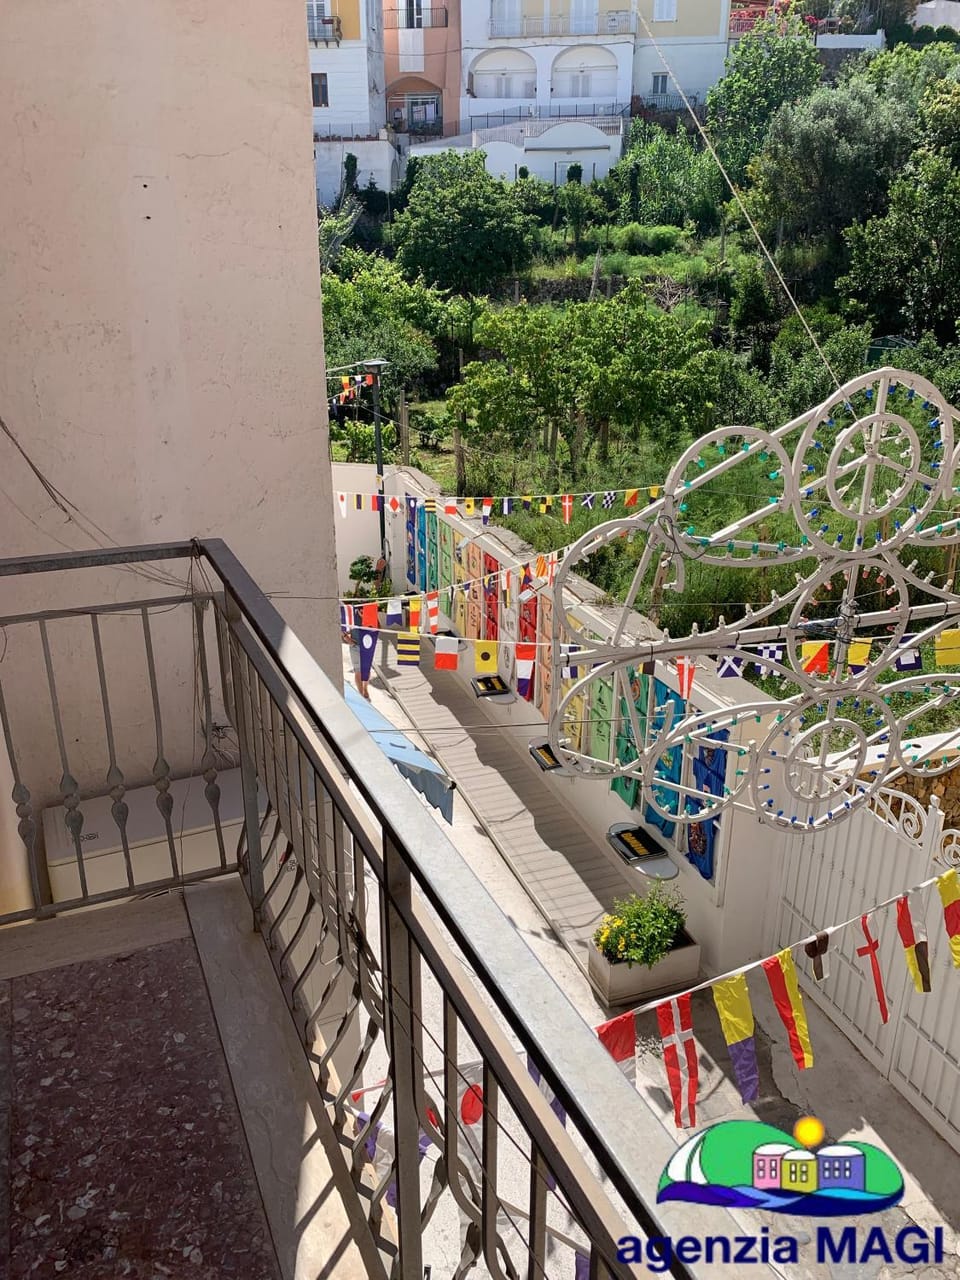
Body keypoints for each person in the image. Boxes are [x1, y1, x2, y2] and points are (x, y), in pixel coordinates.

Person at [341, 625, 370, 699]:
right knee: (358, 670)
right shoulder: (352, 614)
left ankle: (365, 688)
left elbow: (378, 626)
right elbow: (343, 624)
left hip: (367, 645)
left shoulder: (368, 614)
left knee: (367, 670)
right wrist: (346, 637)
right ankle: (361, 694)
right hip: (355, 646)